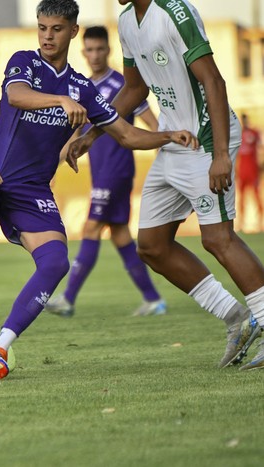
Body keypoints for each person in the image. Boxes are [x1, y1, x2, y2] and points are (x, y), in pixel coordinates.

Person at [0, 0, 198, 380]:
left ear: (73, 32)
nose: (48, 36)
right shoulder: (24, 62)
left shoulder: (82, 87)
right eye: (43, 27)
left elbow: (128, 134)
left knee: (56, 262)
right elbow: (16, 95)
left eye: (57, 29)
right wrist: (59, 100)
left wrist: (168, 136)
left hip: (30, 191)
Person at [68, 0, 264, 369]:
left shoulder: (176, 12)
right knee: (153, 247)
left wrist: (220, 153)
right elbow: (134, 90)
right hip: (174, 141)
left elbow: (213, 80)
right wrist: (93, 134)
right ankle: (235, 318)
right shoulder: (127, 21)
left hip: (206, 141)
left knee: (218, 238)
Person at [45, 25, 165, 318]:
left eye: (101, 49)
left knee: (91, 228)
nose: (95, 55)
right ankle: (153, 299)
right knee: (120, 234)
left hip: (117, 169)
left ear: (109, 50)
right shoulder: (83, 88)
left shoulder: (124, 86)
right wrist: (51, 167)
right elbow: (75, 136)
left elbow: (153, 125)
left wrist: (168, 148)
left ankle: (68, 299)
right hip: (100, 172)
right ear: (83, 51)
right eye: (90, 49)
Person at [236, 113, 262, 232]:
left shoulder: (254, 133)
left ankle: (260, 222)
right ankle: (241, 223)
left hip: (253, 170)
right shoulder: (238, 134)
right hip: (242, 170)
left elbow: (260, 149)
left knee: (256, 196)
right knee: (242, 198)